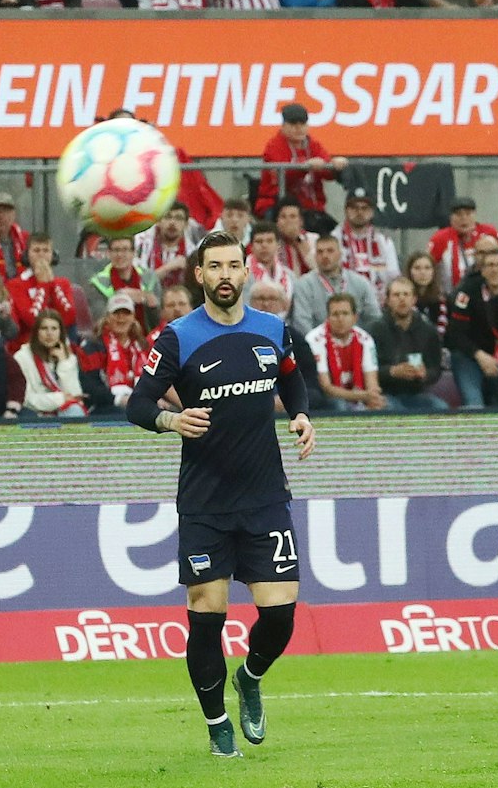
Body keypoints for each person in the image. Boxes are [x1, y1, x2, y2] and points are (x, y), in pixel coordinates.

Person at [126, 230, 313, 756]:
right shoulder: (178, 337)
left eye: (233, 265)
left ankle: (249, 677)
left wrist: (301, 414)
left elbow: (291, 379)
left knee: (280, 614)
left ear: (246, 272)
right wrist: (170, 419)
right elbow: (138, 404)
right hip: (205, 502)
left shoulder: (272, 329)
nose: (225, 275)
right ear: (200, 275)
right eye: (215, 267)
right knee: (207, 613)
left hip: (265, 496)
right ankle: (217, 726)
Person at [446, 246, 498, 406]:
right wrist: (480, 356)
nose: (495, 270)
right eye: (490, 265)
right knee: (474, 405)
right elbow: (455, 334)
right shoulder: (467, 291)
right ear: (482, 270)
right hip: (469, 357)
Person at [369, 276, 444, 409]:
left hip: (416, 394)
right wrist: (392, 372)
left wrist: (425, 374)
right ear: (387, 300)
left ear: (414, 299)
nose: (402, 299)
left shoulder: (428, 330)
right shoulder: (375, 330)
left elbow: (436, 368)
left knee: (441, 408)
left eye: (406, 294)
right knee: (394, 410)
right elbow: (366, 369)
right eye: (396, 295)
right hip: (386, 394)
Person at [290, 234, 380, 338]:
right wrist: (316, 344)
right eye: (320, 252)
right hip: (318, 344)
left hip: (357, 343)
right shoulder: (303, 285)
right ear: (315, 256)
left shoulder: (360, 283)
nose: (325, 256)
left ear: (340, 254)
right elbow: (302, 322)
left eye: (330, 251)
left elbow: (374, 319)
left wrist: (364, 341)